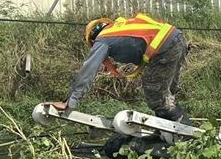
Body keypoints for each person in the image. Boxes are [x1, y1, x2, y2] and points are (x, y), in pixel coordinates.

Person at [45, 13, 189, 123]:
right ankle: (168, 128)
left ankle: (182, 129)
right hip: (177, 38)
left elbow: (88, 70)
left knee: (154, 91)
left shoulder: (102, 40)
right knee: (167, 93)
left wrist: (70, 101)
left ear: (92, 38)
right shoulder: (120, 27)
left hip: (164, 47)